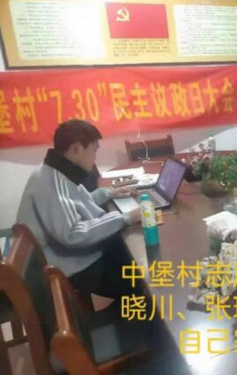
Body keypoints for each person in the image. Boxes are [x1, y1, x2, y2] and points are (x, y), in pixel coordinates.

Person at [16, 119, 143, 298]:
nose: (95, 157)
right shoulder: (52, 182)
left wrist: (109, 193)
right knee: (140, 278)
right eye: (94, 150)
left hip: (66, 257)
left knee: (125, 250)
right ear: (76, 149)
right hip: (66, 268)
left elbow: (74, 206)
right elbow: (72, 233)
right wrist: (124, 218)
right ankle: (141, 312)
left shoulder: (55, 170)